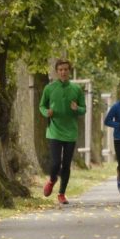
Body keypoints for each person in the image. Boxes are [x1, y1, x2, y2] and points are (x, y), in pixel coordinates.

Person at [39, 59, 86, 205]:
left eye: (66, 69)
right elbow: (41, 106)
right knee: (55, 163)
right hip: (54, 131)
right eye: (60, 70)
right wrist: (47, 112)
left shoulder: (76, 89)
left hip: (70, 132)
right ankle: (52, 180)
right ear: (57, 72)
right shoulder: (49, 88)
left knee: (66, 164)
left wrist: (76, 109)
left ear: (69, 71)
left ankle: (62, 193)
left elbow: (83, 109)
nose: (63, 72)